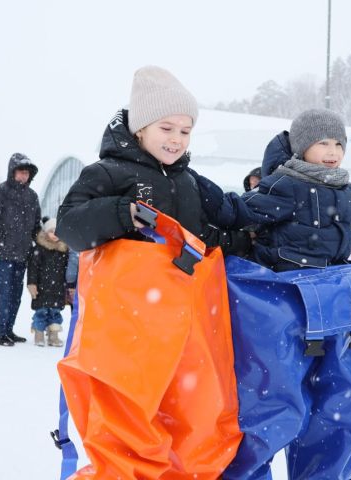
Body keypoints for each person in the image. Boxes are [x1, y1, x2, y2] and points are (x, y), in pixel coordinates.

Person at [200, 109, 351, 480]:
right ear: (302, 147)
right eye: (322, 142)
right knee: (271, 406)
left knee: (339, 407)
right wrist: (200, 193)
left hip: (334, 309)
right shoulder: (286, 185)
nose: (332, 151)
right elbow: (239, 213)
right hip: (283, 308)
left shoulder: (343, 194)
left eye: (338, 143)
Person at [56, 65, 250, 479]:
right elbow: (70, 224)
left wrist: (248, 244)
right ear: (140, 128)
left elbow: (210, 235)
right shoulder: (108, 172)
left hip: (185, 325)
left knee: (190, 416)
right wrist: (120, 213)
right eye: (166, 128)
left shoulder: (191, 182)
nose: (176, 140)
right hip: (129, 324)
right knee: (127, 415)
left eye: (185, 131)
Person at [0, 152, 41, 346]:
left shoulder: (32, 196)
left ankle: (8, 330)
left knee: (15, 294)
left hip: (22, 254)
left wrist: (44, 242)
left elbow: (36, 226)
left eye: (26, 173)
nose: (24, 176)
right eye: (20, 172)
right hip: (2, 254)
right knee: (3, 293)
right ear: (12, 172)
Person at [26, 218, 68, 347]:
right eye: (51, 231)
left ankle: (53, 335)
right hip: (42, 288)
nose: (55, 234)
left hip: (58, 288)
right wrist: (32, 283)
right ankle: (39, 333)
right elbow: (33, 268)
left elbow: (66, 269)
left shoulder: (63, 250)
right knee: (41, 312)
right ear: (46, 233)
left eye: (57, 231)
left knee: (55, 312)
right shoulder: (39, 249)